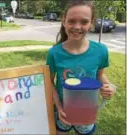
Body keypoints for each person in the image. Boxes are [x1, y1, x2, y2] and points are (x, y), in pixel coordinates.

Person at [46, 1, 116, 135]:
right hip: (63, 112)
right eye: (72, 21)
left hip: (87, 111)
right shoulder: (54, 53)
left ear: (91, 23)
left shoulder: (101, 51)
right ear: (64, 21)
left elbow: (100, 75)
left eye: (84, 22)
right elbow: (49, 82)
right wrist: (59, 107)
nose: (77, 27)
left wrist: (107, 86)